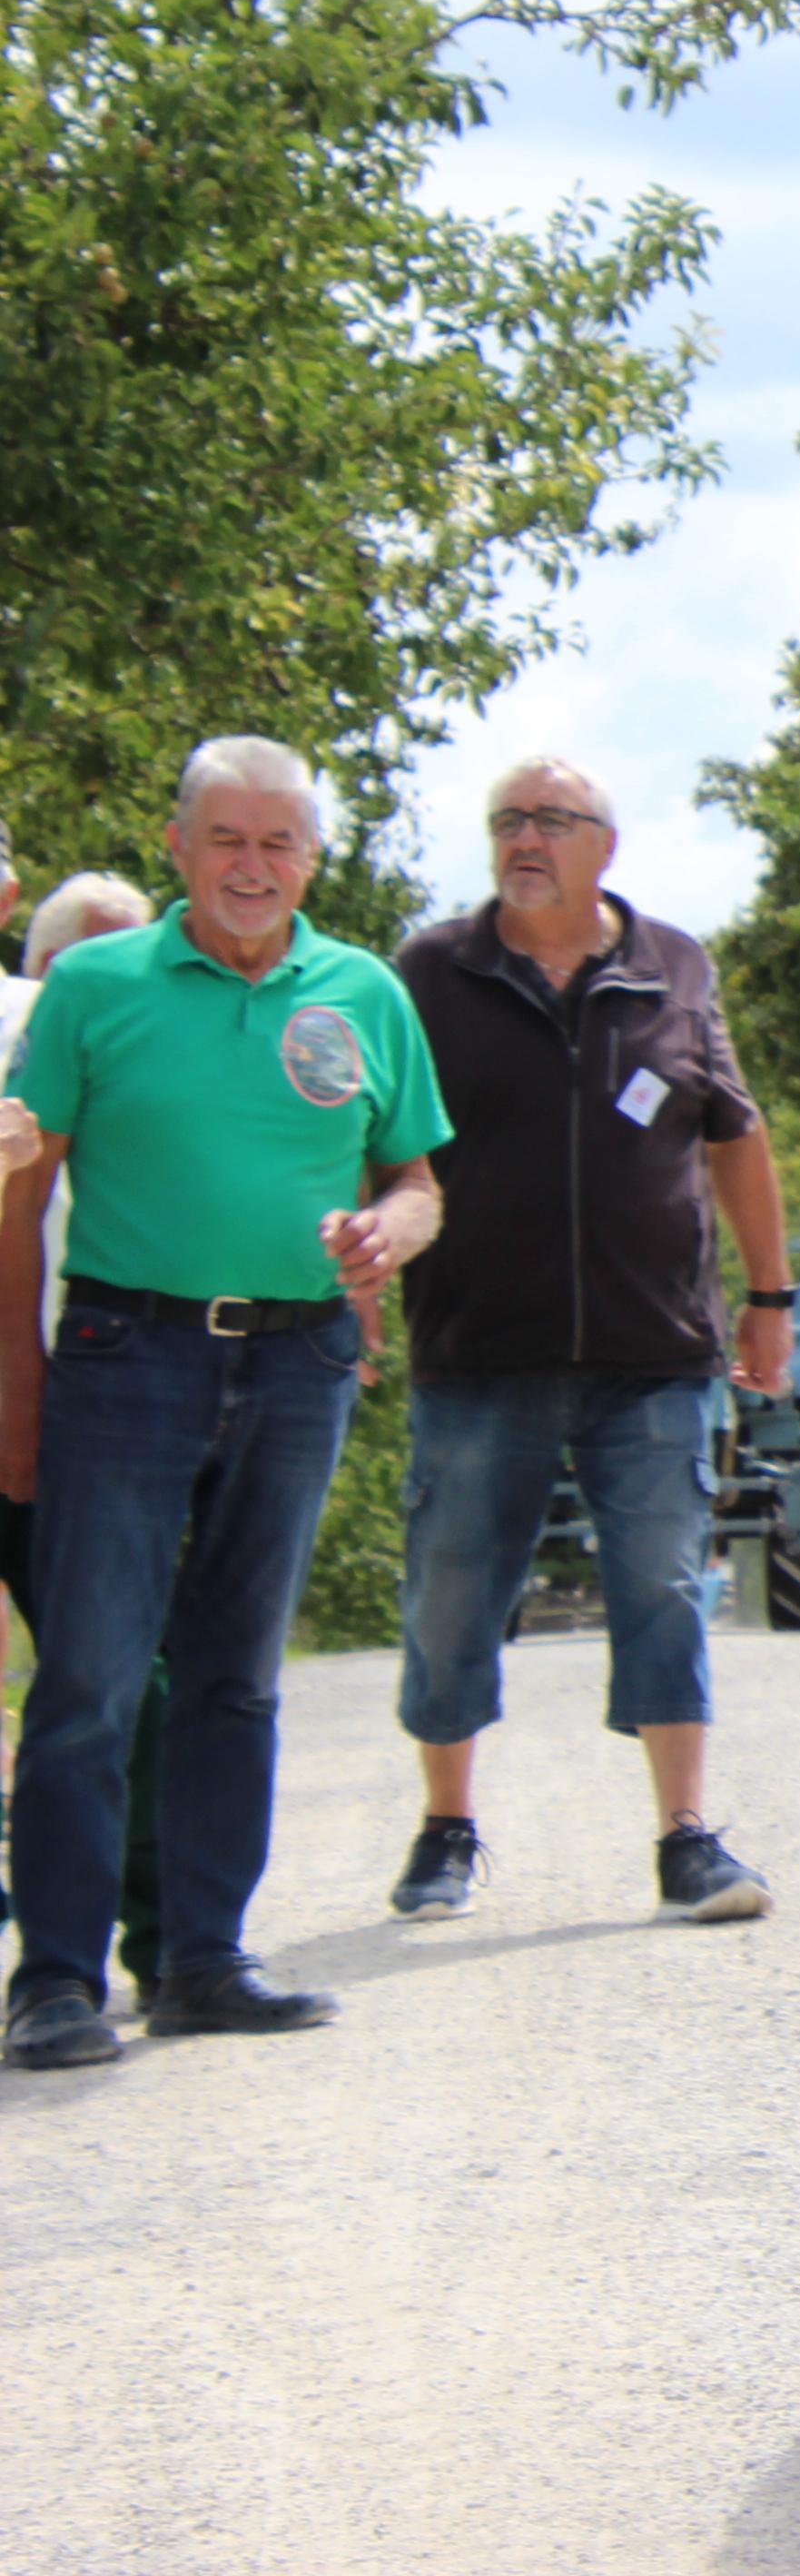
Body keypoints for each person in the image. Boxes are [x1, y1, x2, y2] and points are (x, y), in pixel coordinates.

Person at [0, 739, 449, 2069]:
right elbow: (22, 1196)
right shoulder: (94, 987)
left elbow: (418, 1180)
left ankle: (201, 1959)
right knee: (88, 1676)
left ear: (311, 857)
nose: (254, 867)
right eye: (228, 840)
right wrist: (16, 1384)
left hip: (300, 1363)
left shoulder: (364, 992)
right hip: (125, 1353)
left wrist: (390, 1233)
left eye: (279, 843)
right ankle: (57, 1980)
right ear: (179, 847)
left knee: (236, 1678)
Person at [382, 758, 783, 1927]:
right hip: (477, 1347)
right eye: (508, 819)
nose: (526, 838)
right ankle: (446, 1829)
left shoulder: (676, 966)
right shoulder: (429, 971)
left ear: (605, 845)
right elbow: (380, 1135)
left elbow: (734, 1135)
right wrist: (357, 1280)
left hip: (653, 1348)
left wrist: (771, 1295)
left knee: (664, 1587)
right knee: (451, 1594)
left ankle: (686, 1839)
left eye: (552, 820)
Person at [0, 872, 153, 1980]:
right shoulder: (30, 1026)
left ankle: (159, 1934)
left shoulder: (139, 1050)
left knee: (111, 1675)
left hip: (95, 1402)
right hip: (34, 1395)